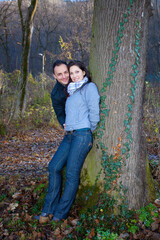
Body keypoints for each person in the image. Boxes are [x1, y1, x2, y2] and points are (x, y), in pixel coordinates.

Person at [35, 60, 100, 223]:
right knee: (54, 167)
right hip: (69, 135)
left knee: (71, 174)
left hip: (81, 135)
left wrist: (86, 130)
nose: (71, 75)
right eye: (71, 73)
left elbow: (94, 112)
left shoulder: (88, 87)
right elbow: (61, 113)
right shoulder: (70, 91)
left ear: (84, 72)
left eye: (75, 72)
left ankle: (59, 214)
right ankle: (47, 211)